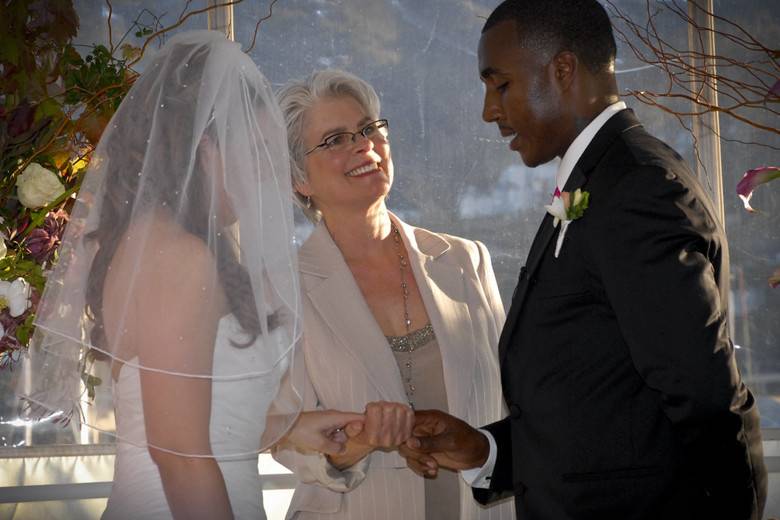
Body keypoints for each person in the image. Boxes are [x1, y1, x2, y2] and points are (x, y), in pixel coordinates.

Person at [403, 1, 768, 519]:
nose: (489, 109)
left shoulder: (637, 188)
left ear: (563, 69)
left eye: (500, 84)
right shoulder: (599, 180)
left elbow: (705, 398)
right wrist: (485, 451)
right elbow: (608, 406)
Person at [19, 31, 363, 519]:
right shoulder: (177, 257)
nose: (272, 173)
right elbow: (178, 458)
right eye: (258, 149)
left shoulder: (167, 247)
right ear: (206, 151)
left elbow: (188, 418)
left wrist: (288, 429)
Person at [271, 69, 515, 520]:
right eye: (335, 140)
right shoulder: (283, 289)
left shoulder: (465, 260)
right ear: (298, 180)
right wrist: (362, 440)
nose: (363, 145)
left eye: (368, 129)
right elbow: (287, 440)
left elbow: (511, 402)